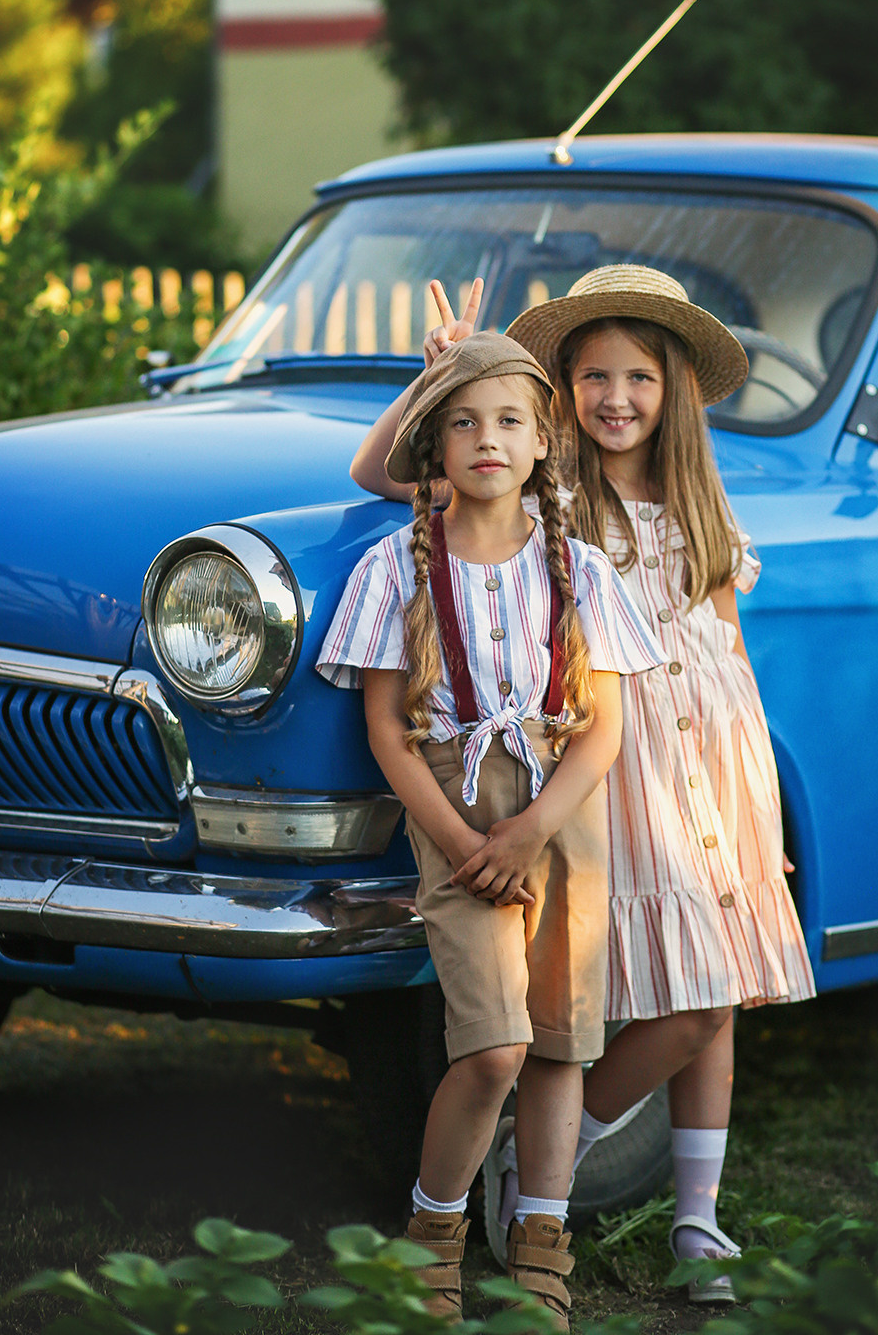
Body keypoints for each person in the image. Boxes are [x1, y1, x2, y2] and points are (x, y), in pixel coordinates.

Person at [350, 270, 816, 1305]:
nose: (616, 397)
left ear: (674, 388)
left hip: (716, 757)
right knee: (682, 999)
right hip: (617, 758)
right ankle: (535, 1160)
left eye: (639, 377)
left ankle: (698, 1219)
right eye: (594, 376)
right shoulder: (552, 496)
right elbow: (383, 472)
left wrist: (762, 800)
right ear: (561, 394)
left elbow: (729, 649)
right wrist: (440, 373)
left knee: (723, 989)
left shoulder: (700, 495)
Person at [318, 330, 662, 1329]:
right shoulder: (398, 565)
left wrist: (534, 832)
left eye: (508, 420)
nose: (486, 440)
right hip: (454, 810)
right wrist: (469, 846)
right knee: (493, 1050)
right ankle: (432, 1233)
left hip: (563, 813)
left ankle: (540, 1249)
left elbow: (604, 727)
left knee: (559, 1044)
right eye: (462, 424)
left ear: (544, 440)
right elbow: (386, 728)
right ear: (435, 450)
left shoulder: (582, 569)